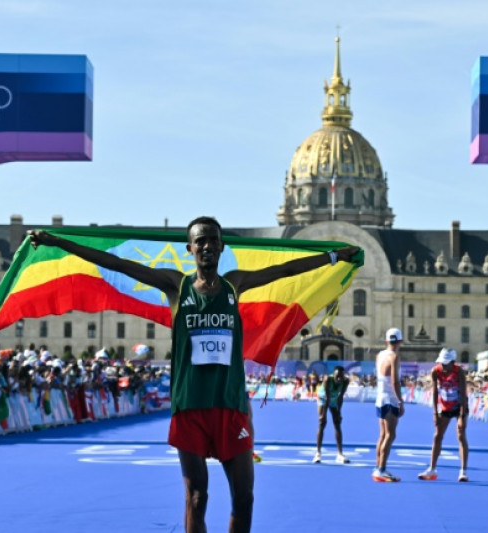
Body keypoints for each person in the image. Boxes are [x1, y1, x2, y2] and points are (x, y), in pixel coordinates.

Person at [29, 217, 358, 533]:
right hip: (190, 408)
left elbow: (284, 270)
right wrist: (59, 242)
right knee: (197, 497)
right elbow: (118, 265)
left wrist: (332, 257)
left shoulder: (236, 283)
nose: (207, 245)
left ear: (221, 246)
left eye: (213, 239)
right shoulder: (177, 285)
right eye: (200, 240)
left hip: (230, 407)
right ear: (190, 248)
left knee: (244, 498)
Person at [418, 347, 469, 482]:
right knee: (437, 435)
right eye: (442, 363)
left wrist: (462, 415)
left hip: (459, 405)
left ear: (453, 362)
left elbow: (463, 393)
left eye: (446, 363)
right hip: (445, 406)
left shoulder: (459, 372)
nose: (444, 366)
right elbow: (435, 392)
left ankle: (463, 471)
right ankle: (432, 468)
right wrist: (434, 412)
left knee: (460, 434)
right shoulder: (436, 371)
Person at [372, 327, 404, 482]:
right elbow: (394, 381)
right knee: (390, 435)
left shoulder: (380, 355)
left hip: (380, 397)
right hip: (390, 398)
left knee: (383, 435)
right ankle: (381, 469)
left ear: (386, 340)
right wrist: (400, 401)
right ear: (399, 341)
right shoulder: (394, 357)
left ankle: (378, 466)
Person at [313, 365, 350, 464]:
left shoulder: (346, 381)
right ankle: (318, 453)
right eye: (337, 376)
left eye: (341, 376)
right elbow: (327, 397)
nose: (339, 378)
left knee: (337, 423)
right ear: (333, 375)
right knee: (322, 422)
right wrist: (323, 414)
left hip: (333, 399)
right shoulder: (327, 380)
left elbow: (340, 397)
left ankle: (340, 454)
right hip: (323, 399)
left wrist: (339, 413)